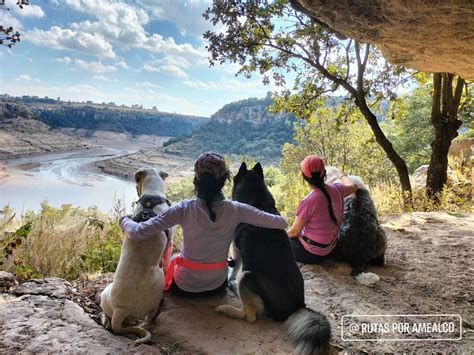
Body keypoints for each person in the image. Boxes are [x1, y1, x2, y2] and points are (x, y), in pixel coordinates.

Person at [119, 152, 288, 298]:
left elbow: (138, 232)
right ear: (224, 180)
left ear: (196, 179)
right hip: (217, 286)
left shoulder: (184, 208)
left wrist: (124, 219)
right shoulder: (236, 210)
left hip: (185, 288)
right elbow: (282, 223)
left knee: (172, 260)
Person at [286, 155, 357, 264]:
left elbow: (294, 232)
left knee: (283, 239)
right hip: (330, 249)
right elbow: (353, 186)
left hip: (311, 254)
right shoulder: (338, 189)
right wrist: (342, 175)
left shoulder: (308, 201)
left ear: (303, 176)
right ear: (324, 173)